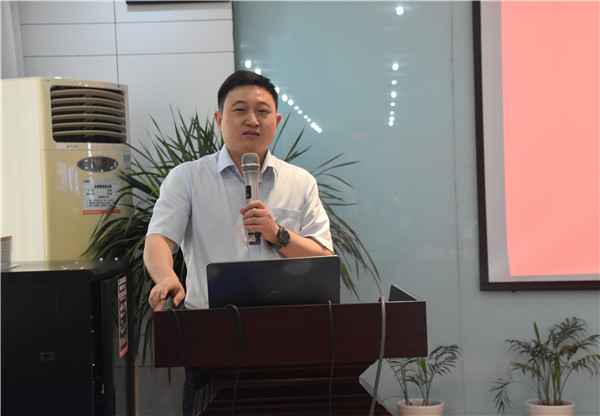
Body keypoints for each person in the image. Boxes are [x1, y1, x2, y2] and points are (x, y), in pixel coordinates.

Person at [143, 70, 334, 415]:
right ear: (219, 119)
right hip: (211, 339)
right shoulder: (187, 178)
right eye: (240, 110)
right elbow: (158, 239)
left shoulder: (300, 181)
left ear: (276, 121)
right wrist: (166, 277)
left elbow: (324, 257)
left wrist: (277, 234)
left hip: (288, 336)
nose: (252, 120)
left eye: (262, 111)